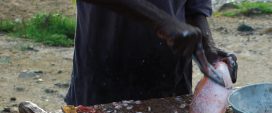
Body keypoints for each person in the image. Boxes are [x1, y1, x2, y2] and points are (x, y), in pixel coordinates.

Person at [65, 0, 237, 106]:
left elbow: (194, 6)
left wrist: (207, 46)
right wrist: (161, 21)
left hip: (170, 79)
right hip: (104, 75)